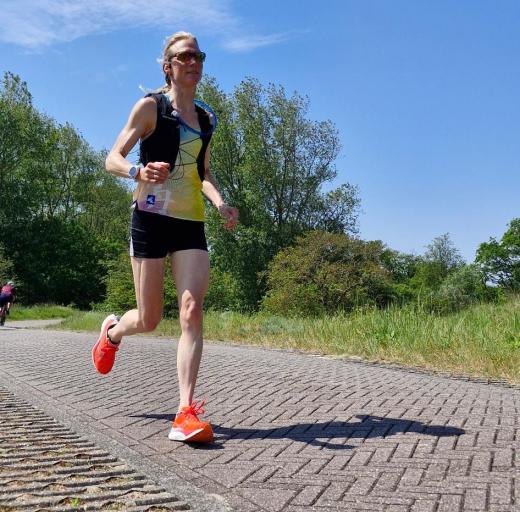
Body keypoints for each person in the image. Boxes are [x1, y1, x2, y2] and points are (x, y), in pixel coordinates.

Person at [92, 31, 238, 443]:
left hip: (190, 222)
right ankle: (114, 331)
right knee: (151, 319)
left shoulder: (207, 118)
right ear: (168, 66)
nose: (193, 61)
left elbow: (202, 172)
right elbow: (112, 158)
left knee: (191, 310)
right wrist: (137, 172)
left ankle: (185, 411)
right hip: (150, 218)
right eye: (184, 56)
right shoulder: (150, 108)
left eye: (198, 55)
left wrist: (220, 202)